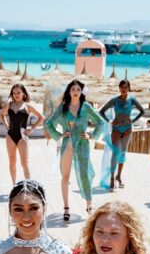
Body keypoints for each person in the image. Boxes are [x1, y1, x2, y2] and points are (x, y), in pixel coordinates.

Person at [45, 79, 106, 220]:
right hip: (67, 145)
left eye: (78, 89)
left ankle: (89, 205)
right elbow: (49, 123)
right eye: (73, 89)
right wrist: (59, 135)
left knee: (84, 174)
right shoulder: (63, 107)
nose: (76, 92)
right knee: (65, 176)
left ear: (81, 92)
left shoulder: (86, 107)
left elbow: (100, 122)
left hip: (82, 145)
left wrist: (91, 135)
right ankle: (66, 208)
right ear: (69, 91)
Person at [99, 80, 145, 189]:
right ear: (119, 88)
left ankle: (118, 177)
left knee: (123, 153)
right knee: (115, 153)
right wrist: (110, 121)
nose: (123, 89)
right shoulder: (114, 100)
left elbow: (142, 111)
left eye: (125, 87)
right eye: (122, 87)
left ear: (129, 88)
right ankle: (111, 178)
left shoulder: (132, 100)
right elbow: (102, 111)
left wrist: (133, 121)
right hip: (116, 129)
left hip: (127, 129)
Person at [0, 84, 44, 185]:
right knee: (12, 161)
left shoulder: (28, 106)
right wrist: (6, 125)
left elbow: (41, 118)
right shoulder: (9, 105)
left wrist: (31, 129)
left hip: (22, 137)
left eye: (18, 92)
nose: (16, 94)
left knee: (25, 163)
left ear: (23, 94)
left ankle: (28, 186)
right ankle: (14, 185)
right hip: (10, 136)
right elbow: (2, 115)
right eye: (14, 93)